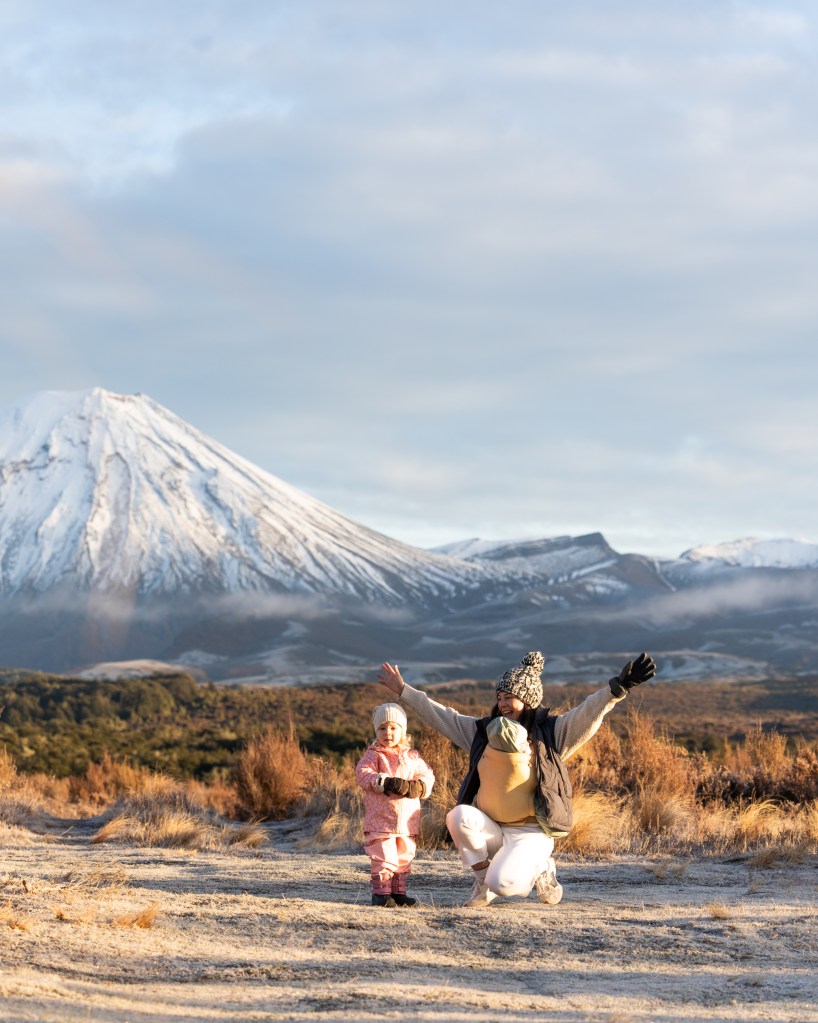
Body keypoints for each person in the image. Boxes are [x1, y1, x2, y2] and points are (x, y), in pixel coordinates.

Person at [375, 650, 656, 908]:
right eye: (499, 697)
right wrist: (403, 691)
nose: (502, 703)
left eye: (509, 696)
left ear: (528, 699)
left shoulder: (552, 734)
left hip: (532, 833)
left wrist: (617, 689)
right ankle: (483, 882)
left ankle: (541, 868)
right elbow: (442, 716)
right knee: (458, 816)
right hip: (493, 828)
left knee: (504, 883)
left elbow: (587, 713)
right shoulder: (482, 733)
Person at [355, 702, 435, 908]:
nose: (387, 733)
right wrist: (384, 782)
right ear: (376, 731)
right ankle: (381, 894)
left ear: (403, 730)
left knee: (403, 855)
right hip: (381, 819)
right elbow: (363, 774)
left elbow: (427, 774)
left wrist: (420, 787)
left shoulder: (412, 756)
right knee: (383, 855)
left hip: (407, 821)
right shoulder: (374, 755)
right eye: (382, 728)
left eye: (393, 728)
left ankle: (398, 892)